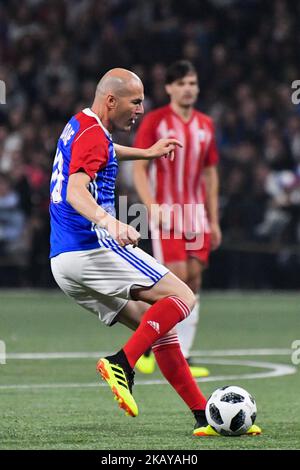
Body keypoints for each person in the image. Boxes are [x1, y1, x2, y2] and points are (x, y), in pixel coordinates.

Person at [49, 68, 260, 437]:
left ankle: (202, 416)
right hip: (91, 246)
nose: (141, 109)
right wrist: (110, 222)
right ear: (111, 100)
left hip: (63, 263)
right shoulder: (93, 134)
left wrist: (145, 152)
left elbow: (103, 152)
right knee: (183, 296)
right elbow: (75, 191)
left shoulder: (81, 124)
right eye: (135, 101)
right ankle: (123, 363)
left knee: (161, 330)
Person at [133, 60, 221, 378]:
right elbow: (139, 166)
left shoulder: (206, 125)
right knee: (176, 281)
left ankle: (183, 354)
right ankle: (147, 346)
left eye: (193, 83)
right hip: (169, 213)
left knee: (194, 282)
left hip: (197, 215)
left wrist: (214, 219)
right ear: (169, 87)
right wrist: (151, 205)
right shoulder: (155, 121)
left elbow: (210, 174)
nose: (188, 89)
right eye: (182, 83)